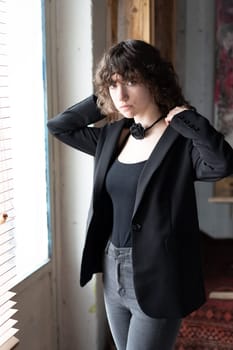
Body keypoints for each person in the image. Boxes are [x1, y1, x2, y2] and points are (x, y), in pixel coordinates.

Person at [47, 39, 233, 350]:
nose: (121, 94)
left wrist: (186, 118)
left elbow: (222, 163)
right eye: (113, 84)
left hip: (158, 274)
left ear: (154, 80)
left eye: (131, 82)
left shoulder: (180, 140)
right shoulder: (112, 137)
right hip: (112, 269)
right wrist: (107, 96)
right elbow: (60, 126)